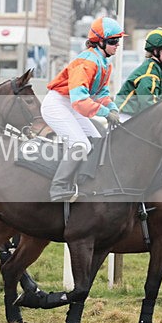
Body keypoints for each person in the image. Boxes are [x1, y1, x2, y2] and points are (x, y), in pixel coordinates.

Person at [42, 16, 126, 202]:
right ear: (100, 41)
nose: (117, 45)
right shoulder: (86, 62)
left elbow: (101, 93)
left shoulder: (105, 63)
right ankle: (58, 187)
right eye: (113, 41)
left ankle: (82, 182)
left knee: (96, 140)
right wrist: (106, 113)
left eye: (118, 41)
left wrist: (112, 108)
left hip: (70, 105)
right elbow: (80, 101)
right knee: (81, 144)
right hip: (57, 105)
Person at [116, 28, 162, 117]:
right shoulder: (149, 74)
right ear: (155, 51)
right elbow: (149, 107)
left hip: (134, 116)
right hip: (125, 116)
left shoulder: (155, 69)